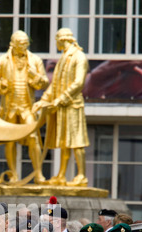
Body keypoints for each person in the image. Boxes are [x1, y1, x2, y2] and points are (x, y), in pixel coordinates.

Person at [0, 30, 49, 183]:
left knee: (33, 138)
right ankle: (14, 174)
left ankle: (38, 173)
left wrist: (34, 76)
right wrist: (0, 85)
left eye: (26, 43)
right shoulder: (2, 61)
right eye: (21, 43)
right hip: (9, 107)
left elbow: (44, 81)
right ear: (13, 44)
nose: (24, 46)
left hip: (27, 107)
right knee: (10, 140)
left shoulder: (35, 60)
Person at [32, 28, 89, 187]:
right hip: (61, 107)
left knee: (77, 141)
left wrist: (60, 99)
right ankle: (61, 175)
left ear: (62, 39)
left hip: (72, 105)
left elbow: (79, 83)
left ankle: (81, 176)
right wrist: (43, 100)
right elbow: (54, 85)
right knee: (65, 141)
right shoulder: (64, 58)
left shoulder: (79, 57)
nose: (56, 43)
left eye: (56, 40)